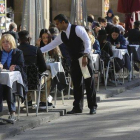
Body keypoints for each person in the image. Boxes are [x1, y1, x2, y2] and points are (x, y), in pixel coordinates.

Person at [41, 14, 97, 114]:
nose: (56, 26)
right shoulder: (62, 35)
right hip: (74, 60)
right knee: (77, 84)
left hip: (83, 59)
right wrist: (37, 51)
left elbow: (87, 41)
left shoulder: (77, 29)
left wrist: (85, 55)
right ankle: (77, 107)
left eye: (57, 23)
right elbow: (51, 45)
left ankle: (92, 106)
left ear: (63, 22)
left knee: (89, 82)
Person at [18, 30, 48, 108]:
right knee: (48, 76)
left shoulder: (15, 51)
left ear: (18, 40)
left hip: (20, 82)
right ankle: (43, 101)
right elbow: (43, 67)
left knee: (24, 75)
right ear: (29, 39)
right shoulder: (35, 49)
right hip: (35, 81)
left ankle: (28, 100)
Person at [0, 34, 25, 121]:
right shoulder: (0, 53)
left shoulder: (17, 52)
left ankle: (12, 112)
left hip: (14, 79)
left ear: (12, 42)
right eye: (3, 42)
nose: (5, 44)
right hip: (2, 77)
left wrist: (14, 67)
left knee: (9, 86)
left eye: (7, 42)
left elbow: (21, 66)